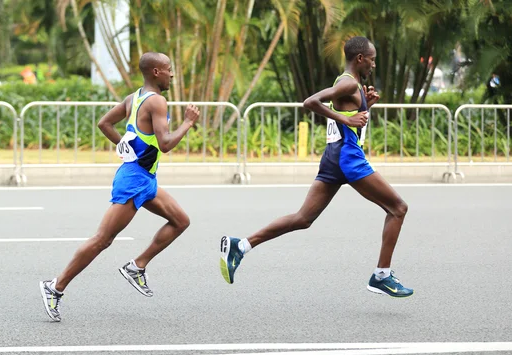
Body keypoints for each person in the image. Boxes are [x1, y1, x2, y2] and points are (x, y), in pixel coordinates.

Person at [219, 36, 413, 297]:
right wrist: (346, 116)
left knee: (303, 218)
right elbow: (310, 102)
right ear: (360, 58)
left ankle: (240, 246)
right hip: (348, 159)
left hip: (333, 156)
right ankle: (381, 276)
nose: (374, 65)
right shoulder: (347, 83)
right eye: (372, 59)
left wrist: (366, 104)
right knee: (398, 208)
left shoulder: (345, 82)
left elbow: (350, 116)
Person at [39, 52, 200, 322]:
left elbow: (104, 123)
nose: (172, 74)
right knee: (102, 239)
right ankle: (55, 286)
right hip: (134, 180)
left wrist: (128, 148)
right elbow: (166, 144)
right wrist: (187, 122)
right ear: (156, 72)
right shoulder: (157, 101)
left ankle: (137, 265)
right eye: (169, 69)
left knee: (180, 220)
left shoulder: (134, 97)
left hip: (145, 178)